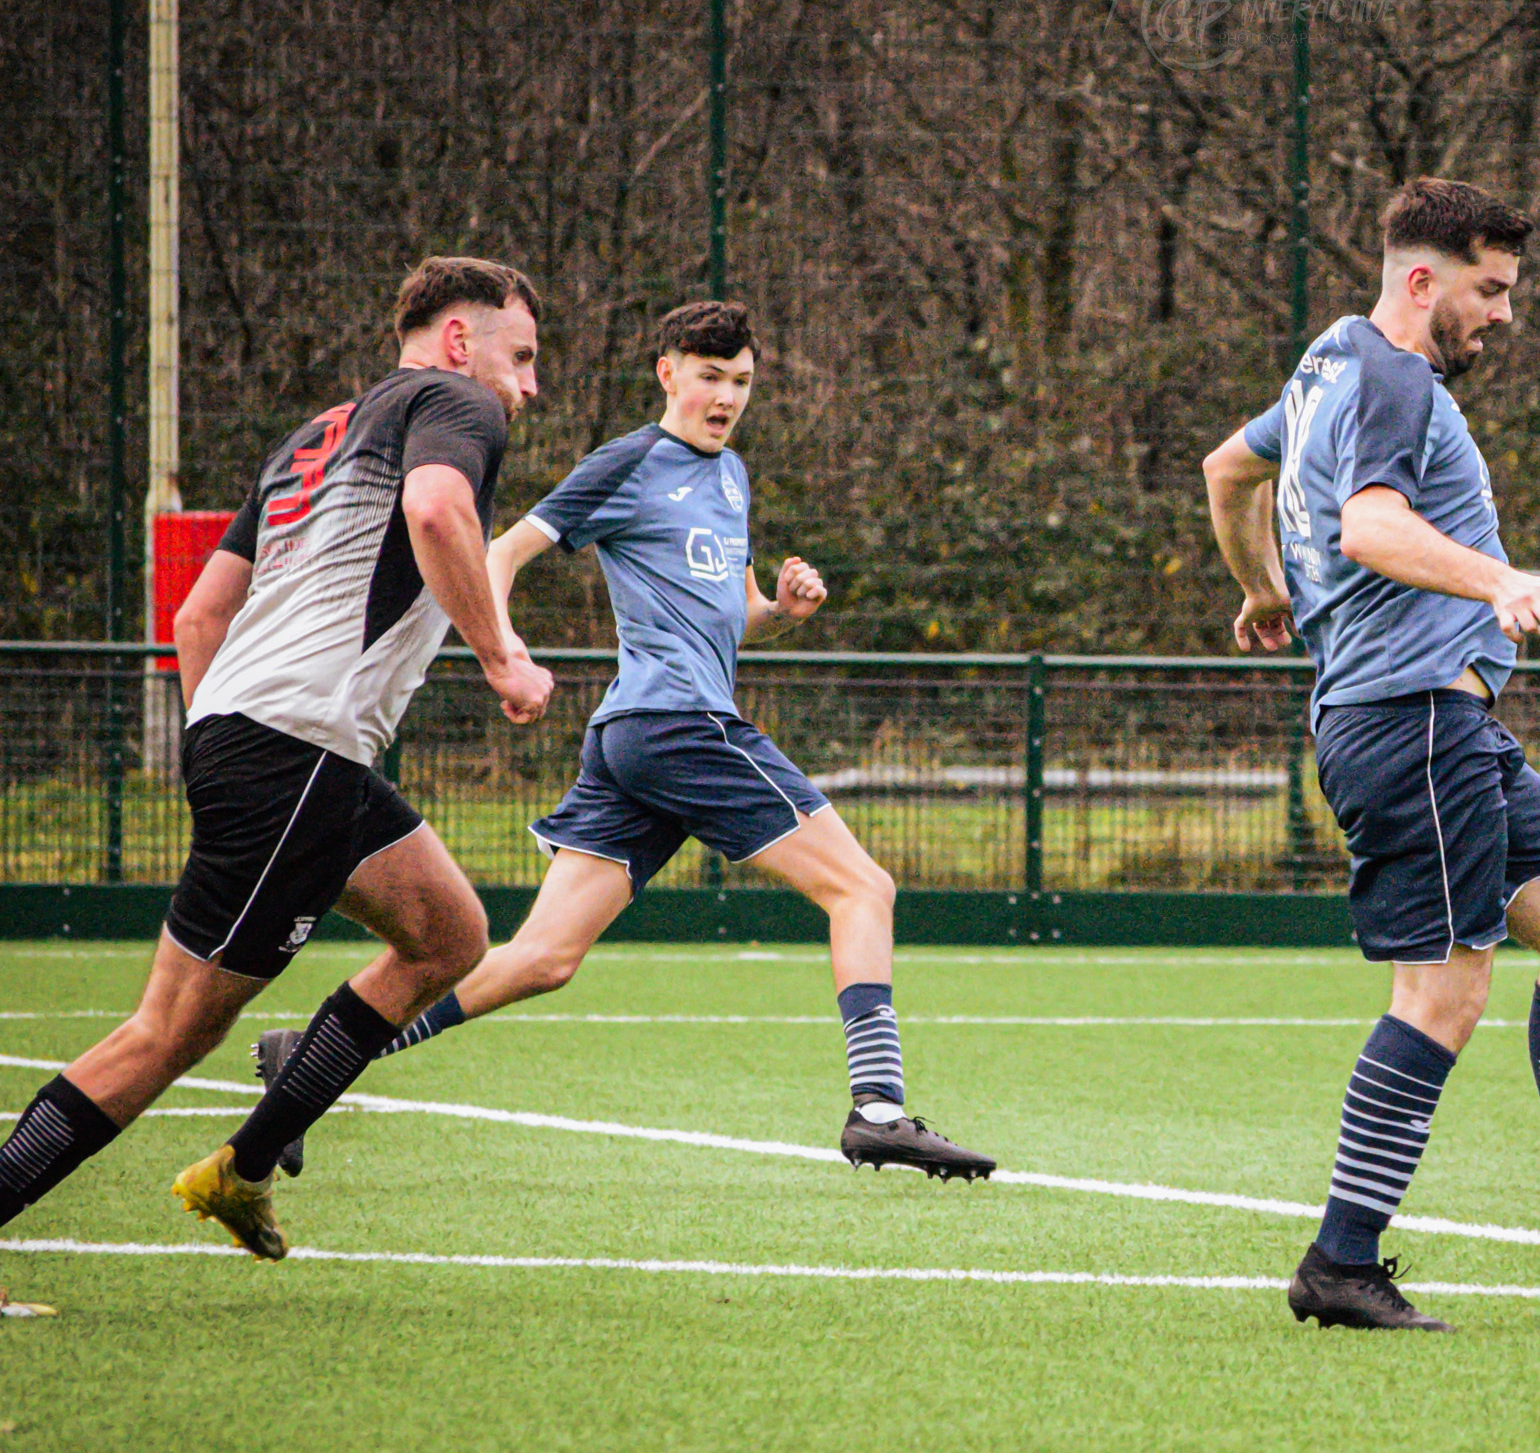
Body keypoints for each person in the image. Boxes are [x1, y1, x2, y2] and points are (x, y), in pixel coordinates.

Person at [254, 300, 994, 1182]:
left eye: (742, 382)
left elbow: (729, 618)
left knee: (542, 958)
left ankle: (308, 1063)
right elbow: (500, 553)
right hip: (678, 726)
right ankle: (877, 1108)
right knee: (864, 888)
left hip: (637, 739)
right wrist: (505, 649)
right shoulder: (629, 462)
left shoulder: (733, 477)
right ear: (668, 372)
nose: (725, 397)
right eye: (710, 376)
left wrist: (779, 611)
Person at [1202, 178, 1540, 1331]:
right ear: (1423, 279)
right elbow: (1370, 527)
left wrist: (1261, 590)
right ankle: (1339, 1261)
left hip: (1448, 724)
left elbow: (1224, 472)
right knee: (1446, 990)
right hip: (1409, 723)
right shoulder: (1389, 374)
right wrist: (1503, 578)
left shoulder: (1326, 362)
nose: (1503, 314)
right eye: (1489, 290)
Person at [0, 256, 557, 1264]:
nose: (529, 387)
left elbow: (199, 613)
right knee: (167, 1032)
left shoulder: (317, 435)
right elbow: (438, 512)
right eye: (521, 358)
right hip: (293, 756)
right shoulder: (456, 404)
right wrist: (501, 656)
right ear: (461, 341)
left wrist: (220, 743)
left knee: (447, 931)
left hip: (279, 748)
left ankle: (241, 1168)